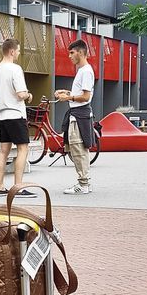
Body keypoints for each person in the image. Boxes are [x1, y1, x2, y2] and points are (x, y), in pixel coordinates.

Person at [0, 38, 36, 198]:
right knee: (23, 148)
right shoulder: (15, 69)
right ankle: (19, 187)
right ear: (12, 51)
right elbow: (21, 94)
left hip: (1, 115)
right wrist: (29, 95)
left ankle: (0, 186)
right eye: (18, 50)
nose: (19, 53)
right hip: (15, 114)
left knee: (3, 151)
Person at [55, 38, 95, 195]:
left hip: (79, 114)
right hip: (77, 114)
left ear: (80, 52)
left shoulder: (85, 71)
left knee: (78, 148)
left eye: (72, 53)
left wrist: (68, 97)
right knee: (75, 148)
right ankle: (83, 182)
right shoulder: (83, 71)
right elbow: (82, 94)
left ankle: (83, 184)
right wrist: (67, 93)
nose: (70, 56)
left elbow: (85, 97)